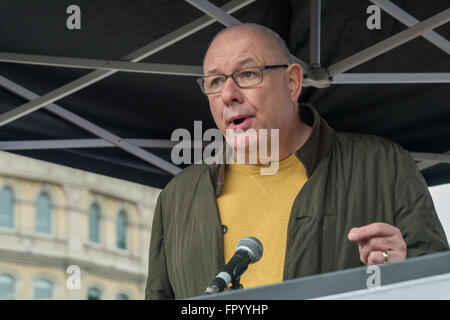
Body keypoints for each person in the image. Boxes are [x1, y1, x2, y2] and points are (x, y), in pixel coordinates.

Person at [145, 23, 449, 299]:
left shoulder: (384, 166)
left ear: (292, 82)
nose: (228, 94)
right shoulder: (177, 196)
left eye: (247, 74)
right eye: (214, 81)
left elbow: (437, 286)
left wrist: (402, 272)